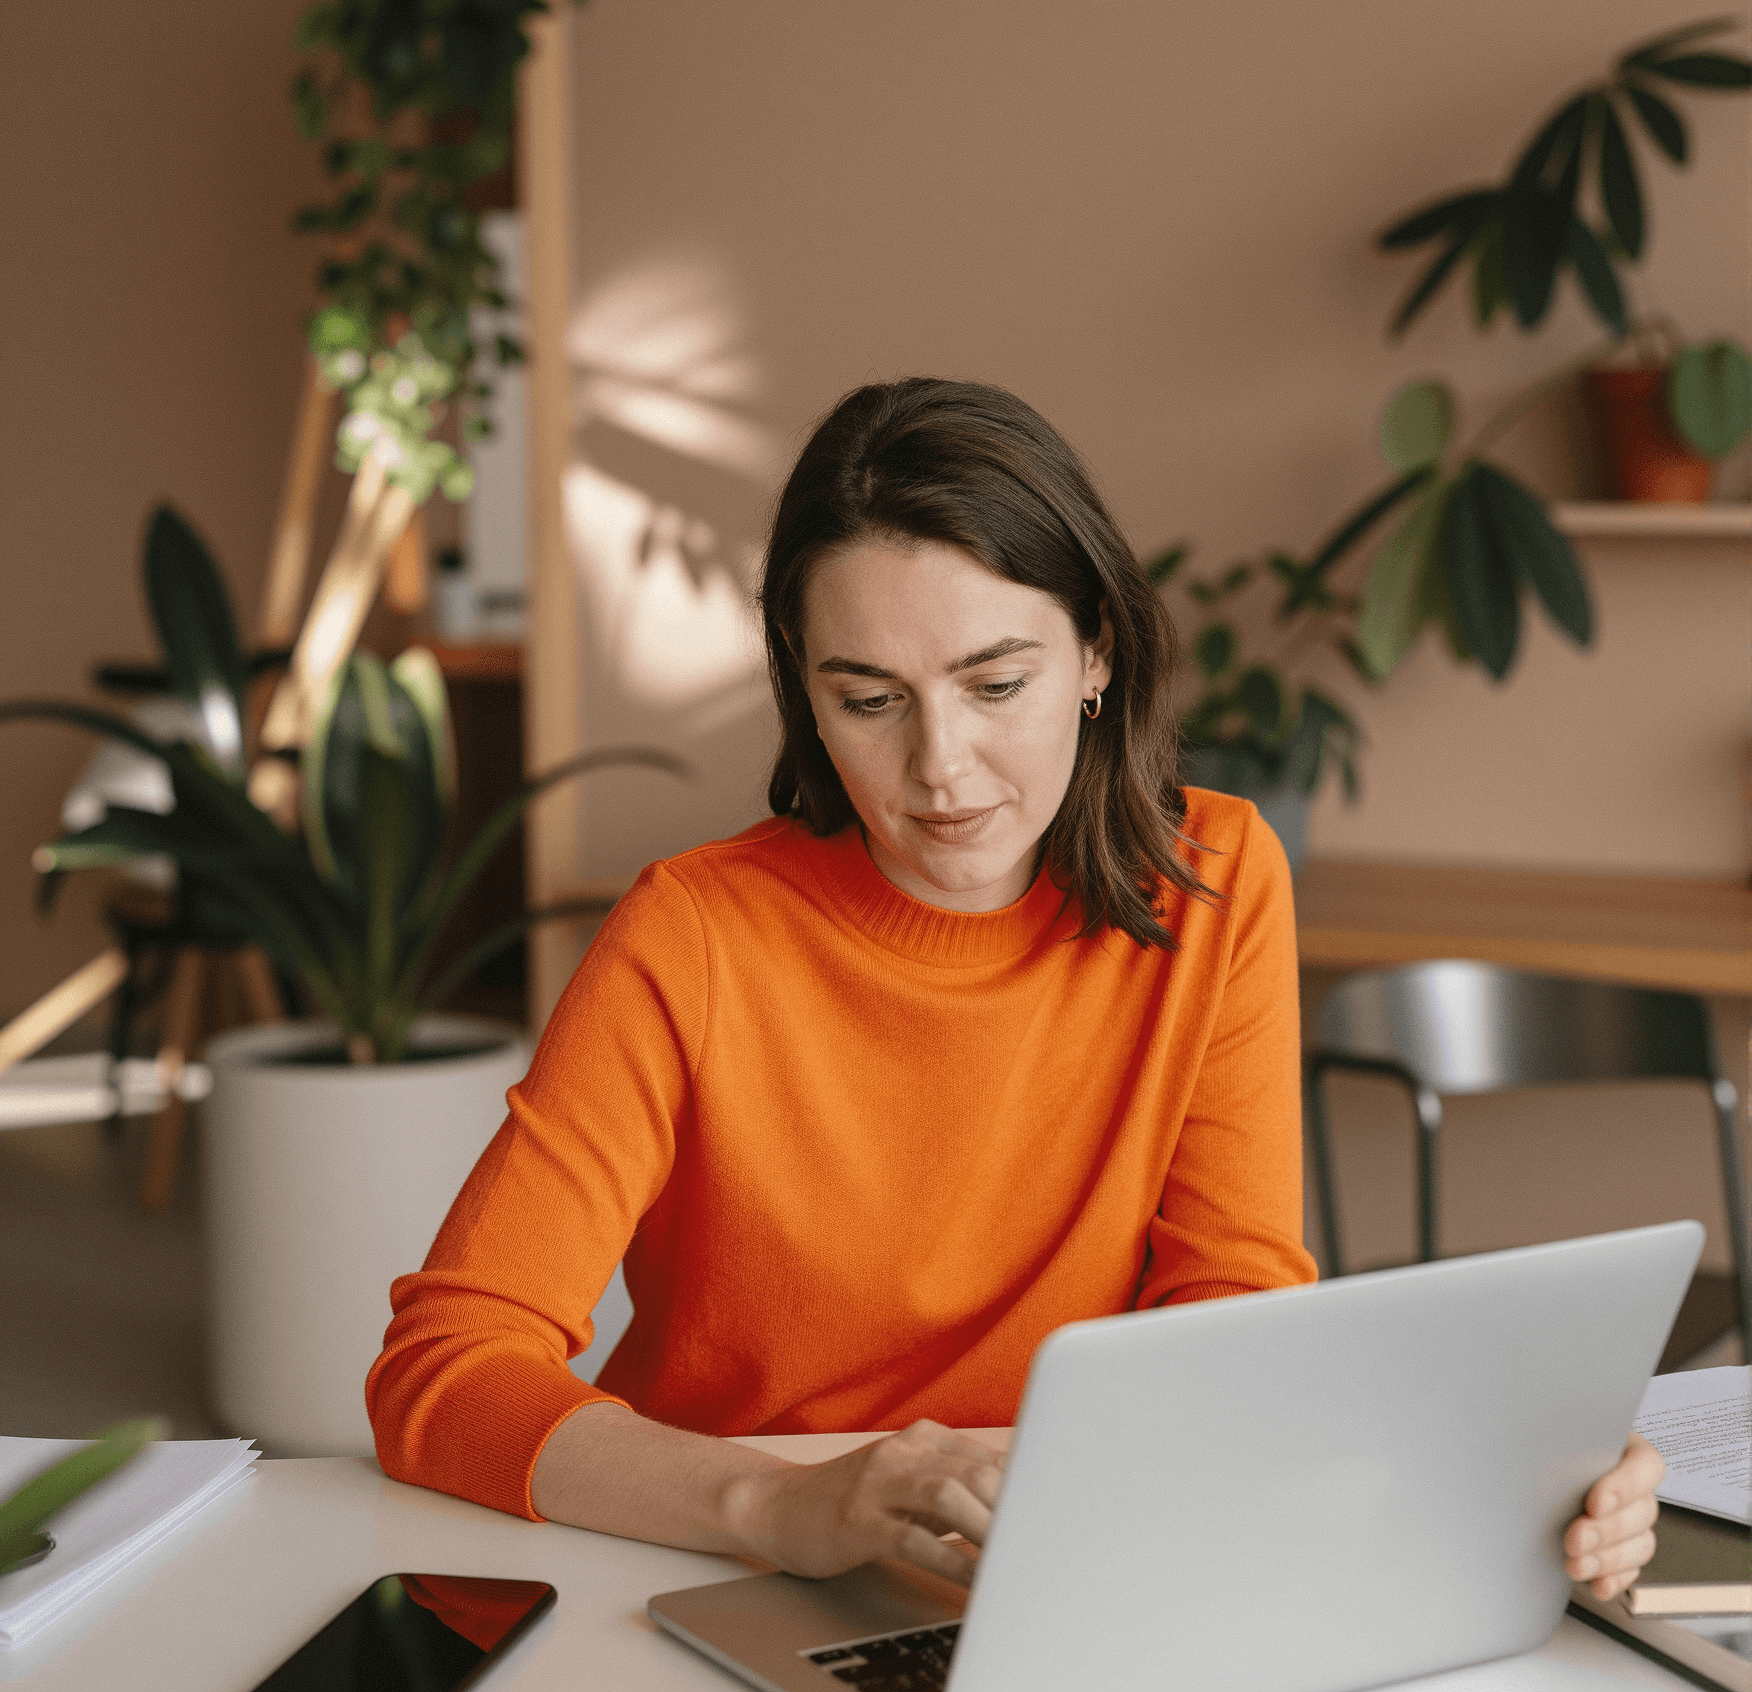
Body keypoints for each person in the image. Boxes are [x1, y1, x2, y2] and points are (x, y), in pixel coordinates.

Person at [367, 377, 1663, 1603]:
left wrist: (1515, 1473)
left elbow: (1231, 1320)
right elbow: (444, 1373)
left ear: (1097, 654)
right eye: (868, 698)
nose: (942, 767)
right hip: (725, 1567)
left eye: (997, 685)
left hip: (1079, 1559)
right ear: (802, 692)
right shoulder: (691, 935)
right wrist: (780, 1511)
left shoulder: (1215, 881)